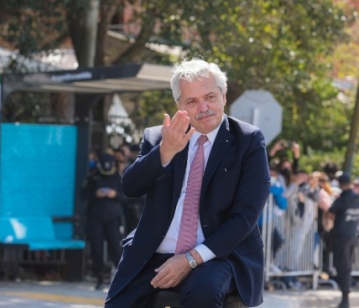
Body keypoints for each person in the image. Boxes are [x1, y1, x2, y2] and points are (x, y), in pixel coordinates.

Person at [104, 59, 270, 307]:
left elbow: (245, 217)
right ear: (179, 105)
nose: (203, 107)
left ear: (224, 97)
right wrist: (165, 152)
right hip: (154, 252)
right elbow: (130, 188)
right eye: (192, 101)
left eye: (210, 97)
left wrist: (190, 259)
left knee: (203, 292)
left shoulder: (248, 141)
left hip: (217, 254)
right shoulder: (159, 137)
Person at [83, 151, 124, 290]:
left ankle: (121, 278)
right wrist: (95, 194)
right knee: (96, 248)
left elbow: (127, 197)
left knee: (115, 248)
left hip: (113, 218)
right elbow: (83, 194)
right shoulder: (93, 177)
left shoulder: (118, 178)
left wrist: (115, 194)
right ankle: (99, 277)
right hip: (95, 217)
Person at [327, 173, 359, 308]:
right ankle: (345, 295)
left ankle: (345, 298)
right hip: (352, 236)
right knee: (346, 267)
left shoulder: (342, 198)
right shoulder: (357, 198)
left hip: (341, 237)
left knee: (342, 267)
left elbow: (331, 212)